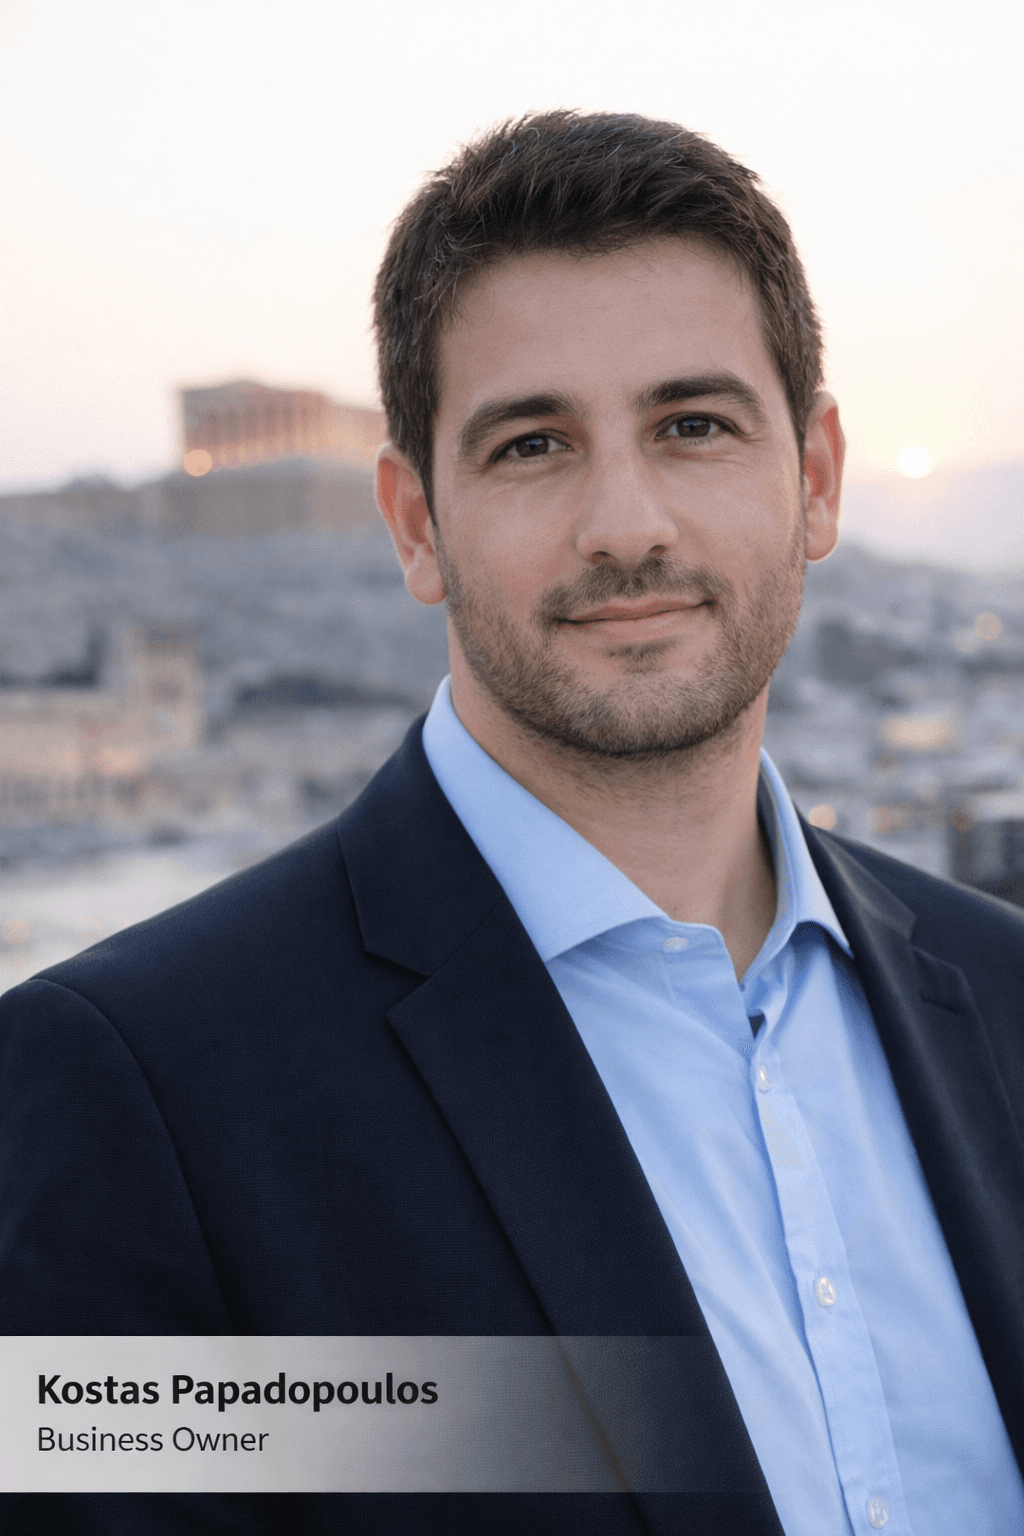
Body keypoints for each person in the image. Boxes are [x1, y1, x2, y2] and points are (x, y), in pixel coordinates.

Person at [1, 111, 1022, 1536]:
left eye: (694, 426)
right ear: (415, 524)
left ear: (817, 478)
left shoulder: (1008, 999)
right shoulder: (146, 1096)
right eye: (533, 443)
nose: (626, 522)